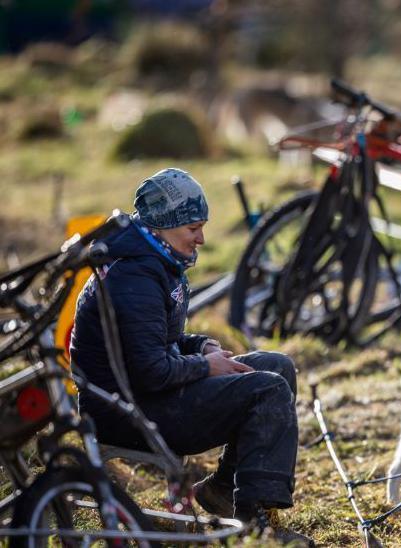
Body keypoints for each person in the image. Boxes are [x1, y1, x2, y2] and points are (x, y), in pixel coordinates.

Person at [69, 168, 313, 546]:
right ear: (165, 226)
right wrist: (205, 367)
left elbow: (157, 341)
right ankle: (257, 527)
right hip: (126, 413)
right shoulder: (133, 276)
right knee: (267, 390)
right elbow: (151, 370)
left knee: (276, 365)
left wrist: (200, 346)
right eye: (193, 228)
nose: (201, 238)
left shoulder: (152, 258)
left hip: (145, 396)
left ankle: (221, 490)